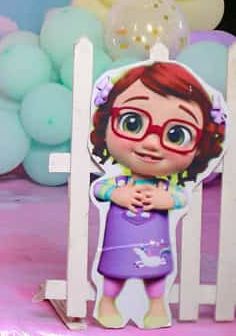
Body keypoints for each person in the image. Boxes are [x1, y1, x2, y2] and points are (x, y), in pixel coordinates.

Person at [89, 61, 226, 329]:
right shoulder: (119, 181)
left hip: (154, 242)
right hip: (120, 240)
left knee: (156, 275)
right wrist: (117, 194)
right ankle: (107, 302)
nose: (151, 143)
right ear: (107, 119)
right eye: (132, 122)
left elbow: (181, 197)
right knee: (114, 273)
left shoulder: (165, 187)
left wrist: (166, 200)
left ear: (200, 146)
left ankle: (156, 307)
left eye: (176, 134)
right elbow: (98, 188)